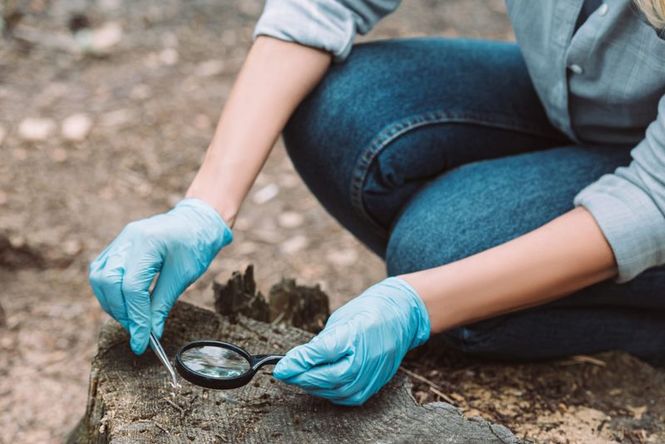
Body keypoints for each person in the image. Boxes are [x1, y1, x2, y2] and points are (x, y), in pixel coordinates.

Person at [89, 0, 665, 406]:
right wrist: (205, 206)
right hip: (584, 110)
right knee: (339, 109)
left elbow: (651, 198)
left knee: (438, 254)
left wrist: (419, 302)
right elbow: (322, 5)